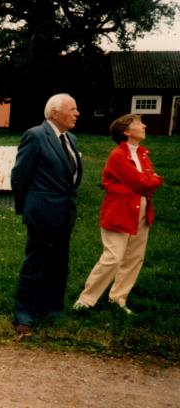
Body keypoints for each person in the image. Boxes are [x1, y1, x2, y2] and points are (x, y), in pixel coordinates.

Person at [73, 114, 163, 315]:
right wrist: (152, 180)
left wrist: (148, 181)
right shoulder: (118, 156)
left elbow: (145, 180)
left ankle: (118, 299)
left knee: (134, 257)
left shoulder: (142, 154)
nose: (144, 126)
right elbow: (142, 182)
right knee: (113, 257)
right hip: (119, 212)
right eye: (139, 124)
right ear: (126, 132)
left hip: (142, 209)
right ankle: (85, 301)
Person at [10, 93, 83, 338]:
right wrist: (27, 207)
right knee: (35, 265)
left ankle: (53, 309)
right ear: (54, 113)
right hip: (42, 213)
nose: (77, 113)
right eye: (72, 109)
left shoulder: (70, 138)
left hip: (64, 213)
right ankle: (24, 316)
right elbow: (20, 176)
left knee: (59, 263)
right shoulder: (36, 136)